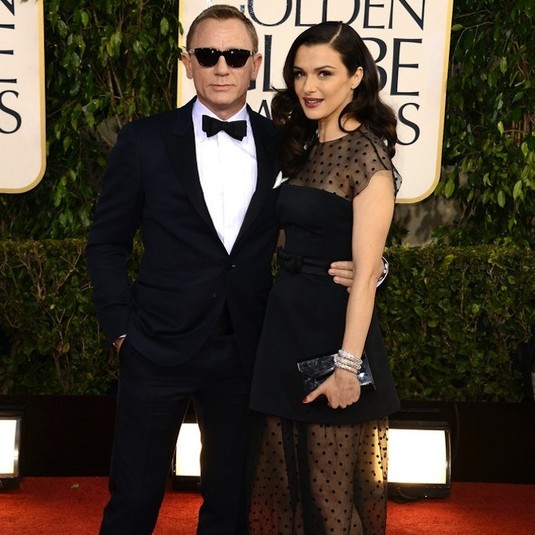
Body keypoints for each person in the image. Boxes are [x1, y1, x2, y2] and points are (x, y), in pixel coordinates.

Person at [86, 5, 355, 535]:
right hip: (155, 344)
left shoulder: (286, 145)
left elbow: (324, 224)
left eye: (235, 55)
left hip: (246, 348)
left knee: (231, 505)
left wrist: (374, 267)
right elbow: (106, 243)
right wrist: (121, 331)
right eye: (208, 55)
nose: (222, 67)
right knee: (134, 497)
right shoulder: (143, 141)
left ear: (255, 64)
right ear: (188, 62)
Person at [248, 22, 402, 535]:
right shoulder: (301, 144)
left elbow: (365, 274)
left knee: (328, 495)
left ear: (356, 77)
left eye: (324, 73)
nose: (308, 87)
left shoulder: (367, 154)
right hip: (284, 326)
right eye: (299, 74)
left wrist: (347, 367)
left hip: (333, 334)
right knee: (287, 485)